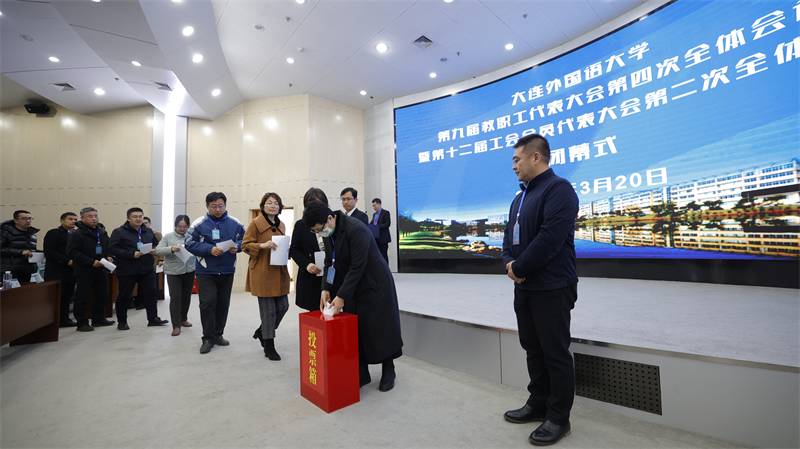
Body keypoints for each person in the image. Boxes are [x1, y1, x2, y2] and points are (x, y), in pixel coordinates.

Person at [501, 134, 579, 446]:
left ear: (536, 157)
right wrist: (510, 263)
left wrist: (518, 268)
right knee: (533, 348)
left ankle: (559, 417)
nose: (513, 166)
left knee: (554, 352)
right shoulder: (519, 198)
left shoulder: (559, 189)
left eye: (516, 159)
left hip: (553, 286)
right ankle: (538, 403)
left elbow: (550, 239)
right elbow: (508, 239)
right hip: (525, 287)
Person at [303, 199, 403, 392]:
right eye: (315, 231)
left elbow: (358, 266)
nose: (320, 233)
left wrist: (341, 296)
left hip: (374, 283)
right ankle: (362, 373)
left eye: (319, 229)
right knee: (357, 330)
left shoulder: (355, 229)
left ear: (329, 218)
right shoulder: (328, 231)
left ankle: (388, 369)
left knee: (380, 328)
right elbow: (330, 262)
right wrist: (326, 288)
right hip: (353, 285)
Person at [185, 192, 245, 354]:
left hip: (227, 270)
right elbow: (189, 243)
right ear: (207, 206)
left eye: (220, 206)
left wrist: (237, 246)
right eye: (214, 206)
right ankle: (208, 338)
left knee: (223, 304)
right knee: (208, 303)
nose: (218, 209)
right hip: (206, 270)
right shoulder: (199, 224)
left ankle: (218, 335)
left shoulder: (235, 223)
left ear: (225, 205)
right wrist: (209, 249)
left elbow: (246, 239)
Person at [243, 192, 291, 360]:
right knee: (268, 311)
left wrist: (287, 249)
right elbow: (245, 245)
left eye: (276, 203)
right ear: (263, 206)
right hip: (262, 271)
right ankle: (269, 346)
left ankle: (262, 331)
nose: (273, 206)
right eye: (269, 203)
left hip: (279, 270)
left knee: (283, 306)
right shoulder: (255, 223)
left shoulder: (282, 225)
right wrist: (262, 245)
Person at [108, 207, 169, 330]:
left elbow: (156, 244)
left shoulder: (148, 231)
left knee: (151, 293)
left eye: (140, 216)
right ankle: (122, 321)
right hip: (127, 270)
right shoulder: (119, 232)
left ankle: (153, 318)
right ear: (128, 218)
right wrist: (131, 254)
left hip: (146, 268)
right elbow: (112, 249)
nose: (138, 219)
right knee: (124, 295)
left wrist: (154, 250)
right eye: (135, 216)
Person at [66, 207, 115, 332]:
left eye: (95, 216)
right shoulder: (77, 234)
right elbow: (72, 252)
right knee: (82, 297)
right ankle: (82, 322)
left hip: (101, 269)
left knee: (102, 294)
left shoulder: (101, 232)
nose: (94, 219)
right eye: (90, 216)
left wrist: (108, 256)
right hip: (84, 270)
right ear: (82, 218)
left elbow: (107, 246)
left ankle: (98, 319)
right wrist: (91, 262)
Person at [155, 215, 196, 337]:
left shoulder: (193, 236)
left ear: (188, 226)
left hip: (189, 270)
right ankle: (176, 325)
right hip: (174, 271)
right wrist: (171, 249)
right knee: (176, 297)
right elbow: (158, 250)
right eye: (179, 226)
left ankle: (183, 319)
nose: (182, 229)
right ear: (175, 226)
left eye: (185, 227)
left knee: (186, 296)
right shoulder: (168, 237)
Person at [289, 188, 327, 312]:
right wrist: (307, 264)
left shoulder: (331, 222)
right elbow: (294, 249)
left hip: (332, 274)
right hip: (312, 276)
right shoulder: (301, 225)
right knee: (315, 313)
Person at [43, 212, 79, 327]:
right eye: (70, 219)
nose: (73, 221)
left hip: (71, 271)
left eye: (75, 219)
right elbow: (49, 251)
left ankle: (64, 319)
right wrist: (67, 261)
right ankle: (51, 321)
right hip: (57, 270)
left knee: (67, 296)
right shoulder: (54, 233)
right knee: (56, 297)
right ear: (61, 221)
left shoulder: (77, 234)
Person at [0, 210, 40, 283]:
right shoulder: (6, 232)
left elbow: (31, 249)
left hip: (27, 269)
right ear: (15, 220)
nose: (28, 221)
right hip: (10, 270)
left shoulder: (32, 234)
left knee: (24, 289)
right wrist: (20, 252)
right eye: (24, 219)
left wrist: (42, 253)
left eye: (30, 218)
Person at [370, 198, 391, 263]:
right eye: (373, 206)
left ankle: (386, 269)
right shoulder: (374, 214)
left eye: (375, 205)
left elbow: (387, 224)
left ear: (380, 204)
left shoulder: (385, 213)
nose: (374, 207)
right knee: (376, 256)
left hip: (383, 238)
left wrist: (377, 227)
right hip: (375, 238)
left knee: (383, 255)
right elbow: (372, 223)